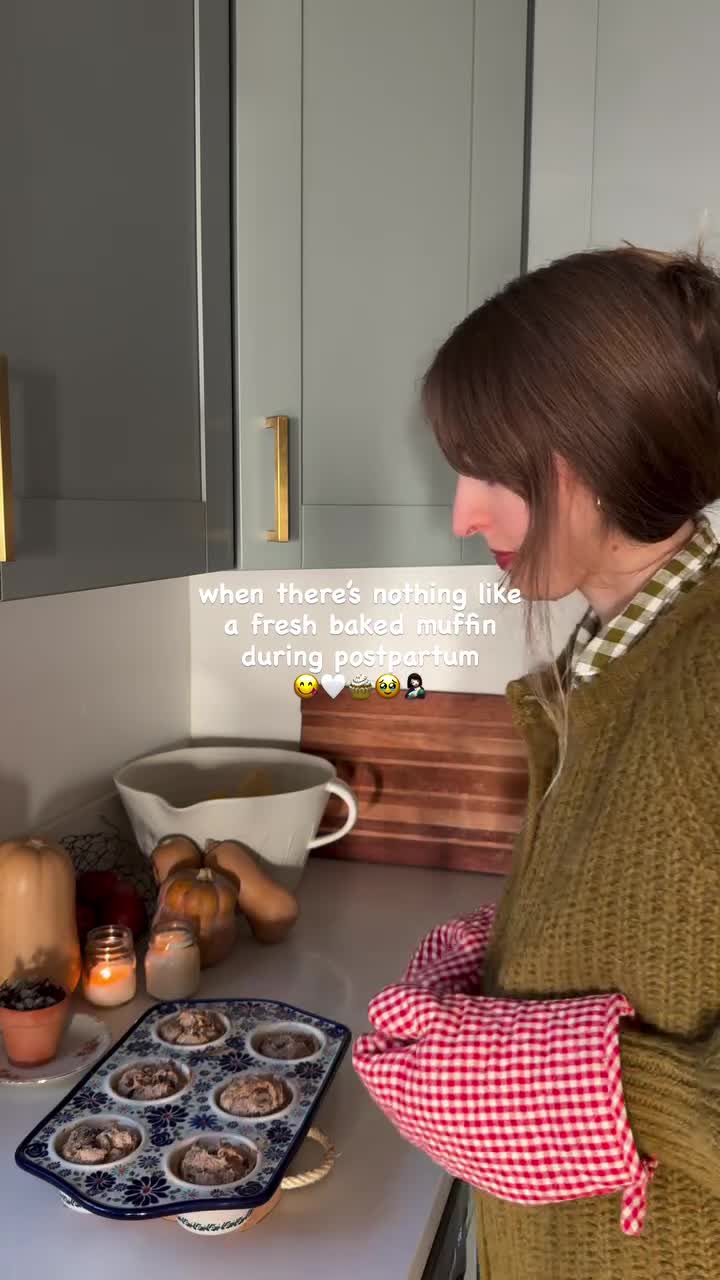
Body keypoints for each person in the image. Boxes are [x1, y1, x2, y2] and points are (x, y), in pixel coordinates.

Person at [353, 245, 720, 1280]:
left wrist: (590, 1079)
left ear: (604, 453)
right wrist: (512, 960)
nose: (464, 513)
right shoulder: (616, 659)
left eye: (495, 472)